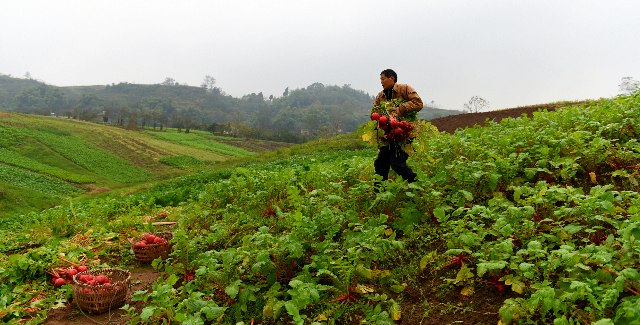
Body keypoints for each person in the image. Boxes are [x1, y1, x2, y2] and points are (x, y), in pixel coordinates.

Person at [372, 69, 423, 189]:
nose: (381, 82)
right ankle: (378, 192)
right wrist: (379, 120)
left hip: (403, 134)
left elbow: (418, 103)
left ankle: (418, 184)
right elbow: (374, 111)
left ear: (392, 78)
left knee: (397, 165)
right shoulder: (381, 96)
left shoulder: (405, 88)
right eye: (380, 79)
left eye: (383, 79)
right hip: (388, 136)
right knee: (380, 163)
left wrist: (402, 108)